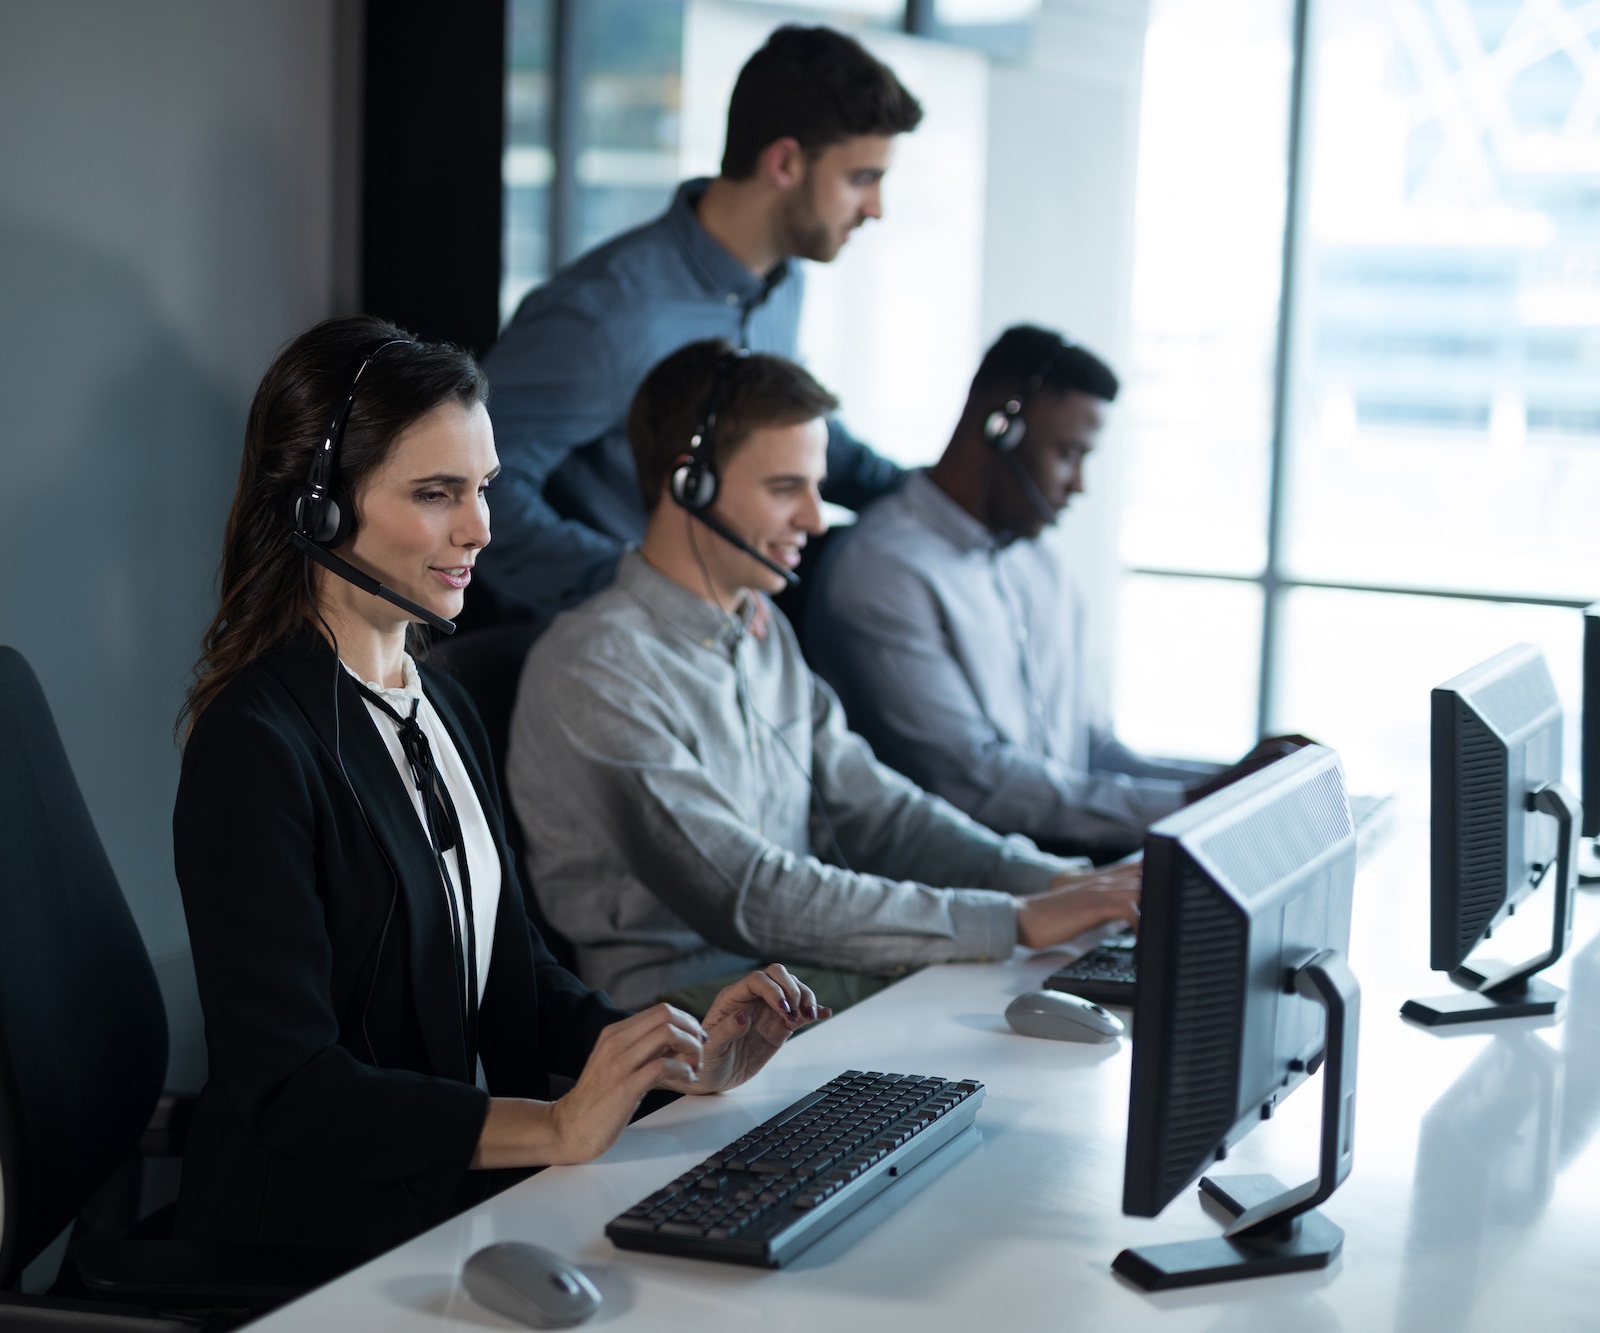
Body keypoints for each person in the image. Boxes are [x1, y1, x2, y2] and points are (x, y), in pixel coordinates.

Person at [172, 317, 823, 1253]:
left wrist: (669, 1056)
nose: (481, 528)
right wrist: (556, 1126)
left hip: (462, 1194)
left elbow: (511, 975)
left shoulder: (440, 706)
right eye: (437, 494)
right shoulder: (255, 746)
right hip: (325, 1230)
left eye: (483, 489)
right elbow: (290, 1083)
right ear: (319, 506)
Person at [507, 339, 1141, 1012]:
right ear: (689, 482)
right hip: (683, 1014)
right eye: (786, 489)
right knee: (1003, 1007)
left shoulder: (761, 628)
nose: (815, 518)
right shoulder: (595, 667)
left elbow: (878, 811)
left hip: (795, 976)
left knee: (1043, 998)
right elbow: (749, 891)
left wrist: (1063, 883)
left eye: (816, 485)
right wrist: (1010, 919)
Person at [474, 24, 921, 621]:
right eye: (862, 179)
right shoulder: (606, 313)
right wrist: (649, 586)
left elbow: (788, 434)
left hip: (721, 624)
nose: (876, 209)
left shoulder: (783, 283)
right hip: (609, 645)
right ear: (785, 162)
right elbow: (478, 491)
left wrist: (937, 498)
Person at [806, 325, 1251, 863]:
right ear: (999, 427)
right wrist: (1192, 804)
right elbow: (976, 784)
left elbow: (1093, 754)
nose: (1080, 483)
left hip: (1074, 875)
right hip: (967, 894)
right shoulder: (884, 569)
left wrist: (1236, 787)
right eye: (1068, 453)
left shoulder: (1040, 561)